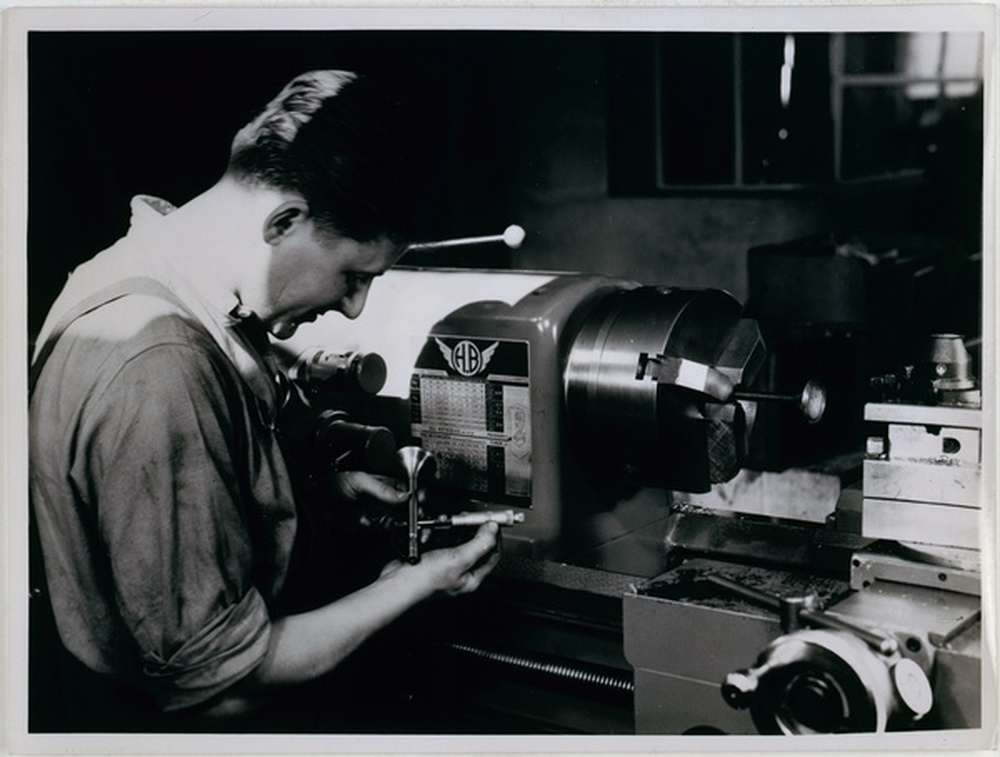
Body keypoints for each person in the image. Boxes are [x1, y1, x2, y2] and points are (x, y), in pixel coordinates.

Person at [28, 70, 500, 731]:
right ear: (283, 220)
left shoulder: (134, 274)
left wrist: (323, 492)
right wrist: (413, 584)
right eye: (354, 275)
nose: (354, 305)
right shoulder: (160, 363)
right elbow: (220, 682)